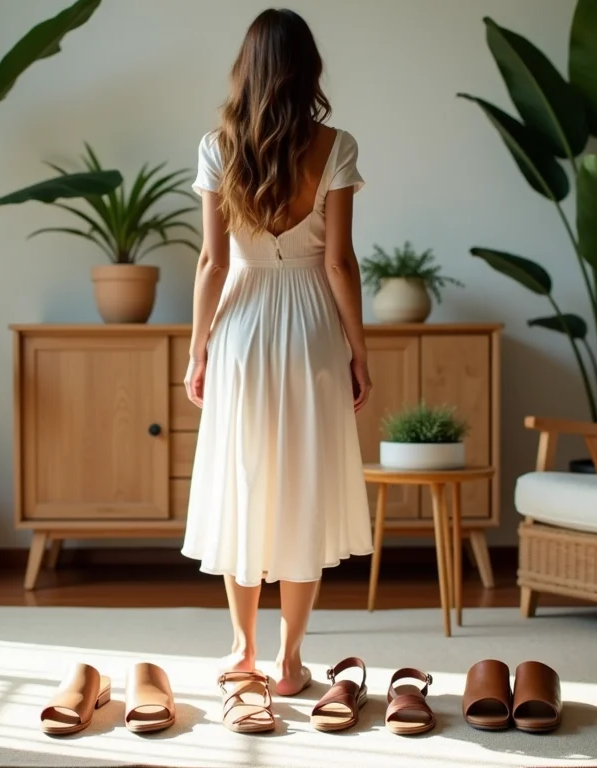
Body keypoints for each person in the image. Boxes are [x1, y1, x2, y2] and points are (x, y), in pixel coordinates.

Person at [181, 7, 373, 699]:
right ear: (308, 70)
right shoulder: (336, 145)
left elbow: (212, 262)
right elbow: (340, 263)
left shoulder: (217, 147)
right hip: (312, 330)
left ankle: (243, 651)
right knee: (303, 489)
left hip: (240, 327)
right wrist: (358, 351)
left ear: (246, 69)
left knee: (245, 483)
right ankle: (291, 663)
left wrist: (198, 350)